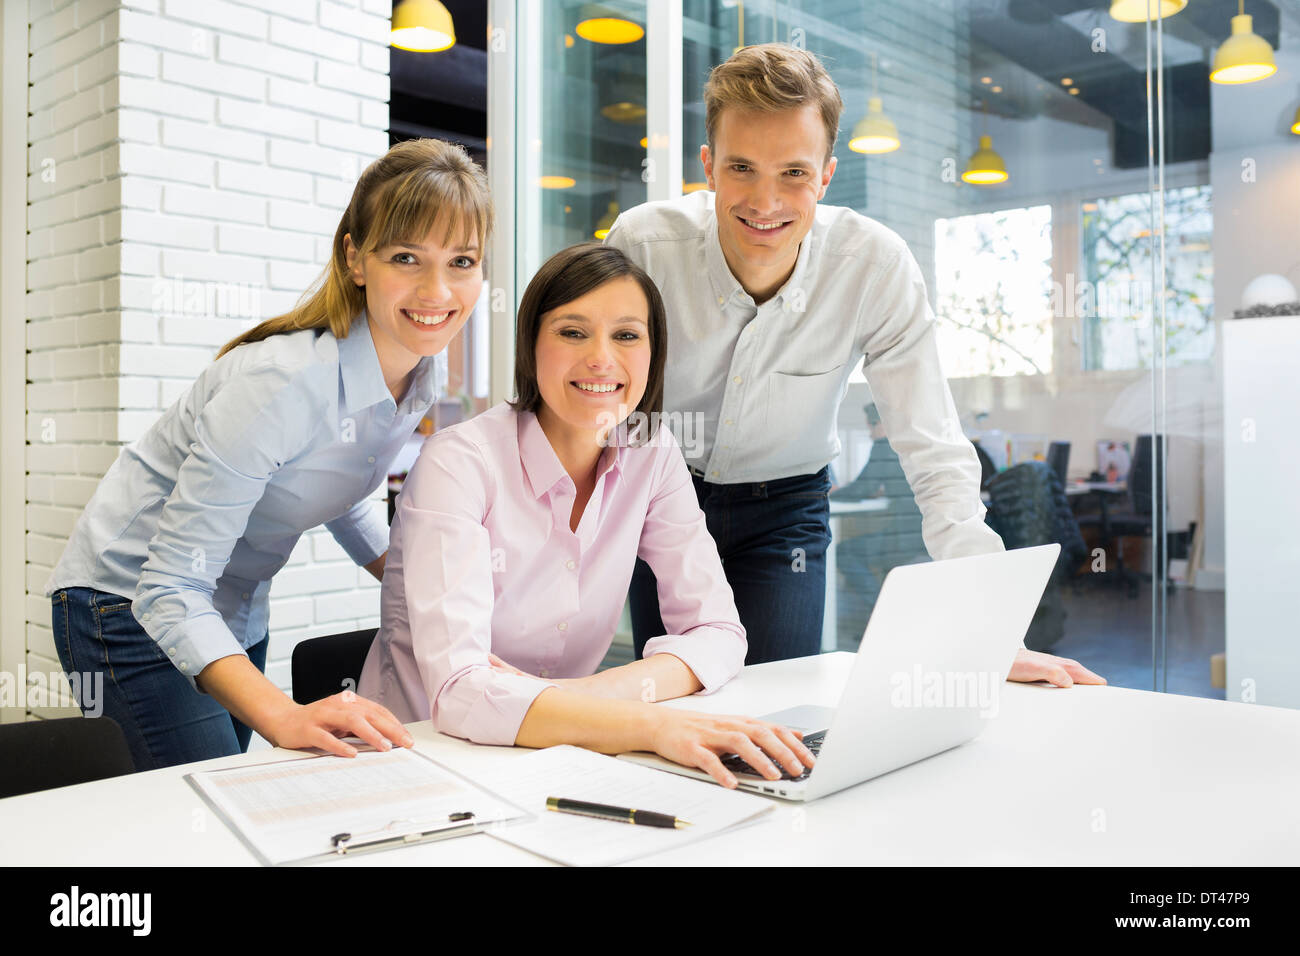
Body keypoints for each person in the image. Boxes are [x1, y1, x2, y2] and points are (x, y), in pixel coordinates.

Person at [606, 43, 1103, 687]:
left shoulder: (873, 266)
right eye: (742, 168)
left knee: (777, 701)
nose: (765, 201)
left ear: (826, 176)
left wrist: (989, 629)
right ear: (708, 166)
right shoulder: (643, 246)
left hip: (783, 507)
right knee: (677, 695)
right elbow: (600, 402)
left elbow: (934, 446)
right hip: (664, 496)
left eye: (793, 172)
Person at [47, 138, 492, 771]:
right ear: (355, 258)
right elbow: (168, 587)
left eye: (463, 261)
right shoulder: (283, 382)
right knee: (208, 818)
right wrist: (285, 713)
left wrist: (436, 598)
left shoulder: (419, 374)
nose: (436, 289)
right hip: (126, 603)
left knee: (226, 807)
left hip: (232, 608)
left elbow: (343, 492)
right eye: (406, 257)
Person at [358, 243, 816, 788]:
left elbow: (718, 631)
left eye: (626, 335)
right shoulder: (460, 463)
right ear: (531, 346)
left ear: (653, 352)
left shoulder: (652, 451)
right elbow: (460, 692)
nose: (601, 358)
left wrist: (584, 698)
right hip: (421, 762)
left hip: (564, 751)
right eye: (572, 332)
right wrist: (648, 723)